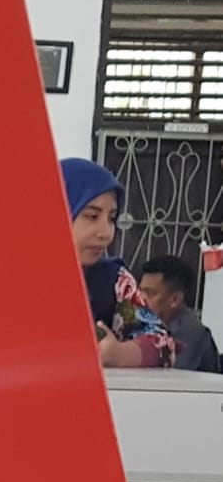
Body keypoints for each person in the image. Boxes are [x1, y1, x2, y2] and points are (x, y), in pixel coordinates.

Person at [61, 158, 173, 368]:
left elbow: (164, 344)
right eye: (92, 216)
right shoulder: (11, 278)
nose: (106, 233)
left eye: (111, 219)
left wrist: (118, 354)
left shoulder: (114, 281)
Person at [139, 254, 220, 372]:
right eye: (140, 291)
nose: (141, 299)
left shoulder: (191, 333)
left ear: (175, 299)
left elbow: (168, 376)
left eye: (151, 293)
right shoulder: (145, 324)